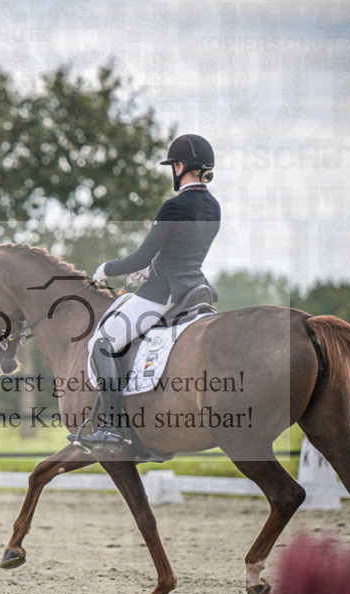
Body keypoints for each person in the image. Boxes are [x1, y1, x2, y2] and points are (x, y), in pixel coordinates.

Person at [73, 133, 221, 457]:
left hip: (163, 292)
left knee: (103, 342)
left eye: (173, 166)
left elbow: (142, 255)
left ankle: (112, 427)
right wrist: (151, 268)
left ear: (180, 167)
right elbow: (183, 252)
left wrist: (106, 269)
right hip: (195, 289)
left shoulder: (174, 206)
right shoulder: (213, 206)